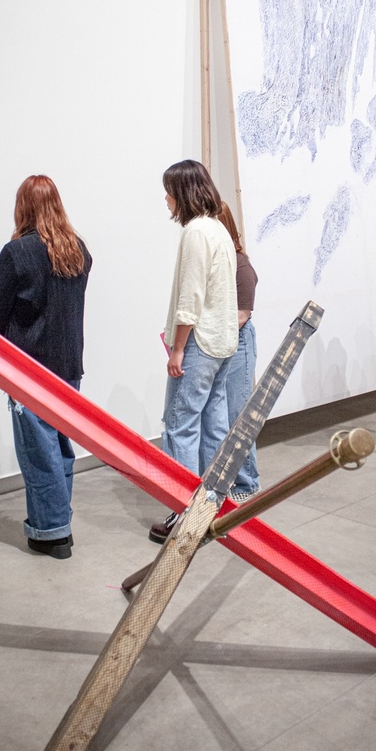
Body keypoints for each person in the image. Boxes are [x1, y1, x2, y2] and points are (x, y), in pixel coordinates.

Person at [0, 175, 92, 558]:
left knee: (38, 452)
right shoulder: (79, 251)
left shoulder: (15, 253)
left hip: (29, 370)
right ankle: (57, 525)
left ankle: (51, 533)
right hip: (69, 366)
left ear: (23, 207)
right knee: (60, 448)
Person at [149, 161, 238, 544]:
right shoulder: (218, 228)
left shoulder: (196, 232)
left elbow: (191, 296)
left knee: (181, 426)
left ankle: (183, 514)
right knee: (214, 427)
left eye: (169, 191)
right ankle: (211, 509)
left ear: (182, 193)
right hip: (222, 343)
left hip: (199, 344)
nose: (166, 199)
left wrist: (177, 349)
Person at [216, 200, 260, 501]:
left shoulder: (240, 265)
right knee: (222, 417)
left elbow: (241, 315)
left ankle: (246, 484)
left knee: (238, 416)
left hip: (238, 343)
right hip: (221, 342)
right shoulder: (221, 262)